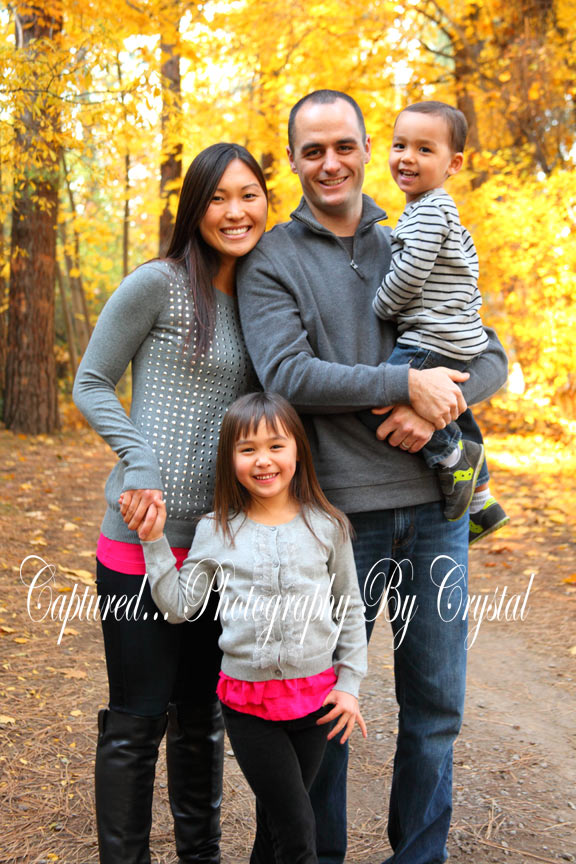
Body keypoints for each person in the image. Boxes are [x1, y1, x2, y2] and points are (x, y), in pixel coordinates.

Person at [236, 90, 509, 864]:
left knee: (435, 707)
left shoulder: (413, 234)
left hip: (434, 517)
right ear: (294, 161)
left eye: (344, 146)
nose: (331, 163)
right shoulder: (272, 260)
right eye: (312, 150)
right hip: (335, 521)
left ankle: (419, 857)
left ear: (365, 149)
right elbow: (288, 375)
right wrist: (404, 384)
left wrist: (434, 406)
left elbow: (490, 353)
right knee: (322, 707)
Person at [72, 143, 268, 864]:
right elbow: (91, 381)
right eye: (218, 197)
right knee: (137, 719)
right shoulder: (157, 284)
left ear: (266, 203)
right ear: (194, 208)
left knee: (201, 715)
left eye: (248, 195)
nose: (235, 211)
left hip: (220, 546)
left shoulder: (264, 299)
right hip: (141, 538)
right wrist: (140, 461)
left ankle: (201, 857)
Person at [139, 391, 368, 864]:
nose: (263, 460)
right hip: (249, 703)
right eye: (248, 449)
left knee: (275, 830)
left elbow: (349, 605)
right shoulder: (216, 529)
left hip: (317, 702)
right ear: (231, 459)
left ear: (298, 450)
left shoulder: (327, 526)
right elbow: (179, 606)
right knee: (299, 830)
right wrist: (154, 541)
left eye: (276, 446)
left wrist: (349, 684)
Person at [359, 100, 509, 537]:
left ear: (453, 164)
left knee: (377, 401)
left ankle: (453, 459)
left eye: (425, 149)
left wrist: (383, 304)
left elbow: (409, 273)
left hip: (430, 338)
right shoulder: (442, 214)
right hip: (457, 337)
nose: (408, 157)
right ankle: (482, 501)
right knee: (454, 413)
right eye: (400, 145)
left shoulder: (427, 211)